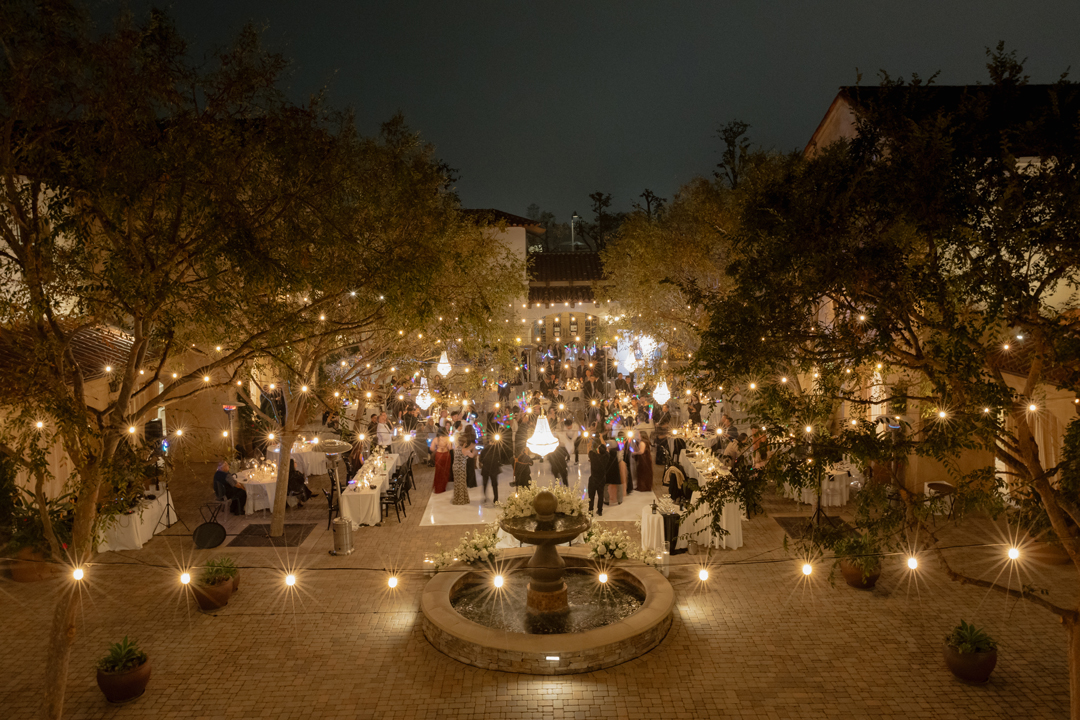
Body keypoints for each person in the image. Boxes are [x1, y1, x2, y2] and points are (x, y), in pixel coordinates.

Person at [452, 431, 475, 505]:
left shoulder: (456, 448)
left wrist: (470, 447)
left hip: (455, 468)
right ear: (465, 443)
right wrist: (474, 449)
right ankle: (461, 500)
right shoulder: (465, 450)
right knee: (462, 484)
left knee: (457, 484)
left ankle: (456, 498)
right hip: (461, 469)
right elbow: (472, 455)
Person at [479, 431, 502, 505]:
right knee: (494, 484)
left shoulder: (484, 450)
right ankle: (496, 498)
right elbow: (500, 459)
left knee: (485, 483)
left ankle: (485, 496)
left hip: (485, 468)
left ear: (489, 441)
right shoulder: (497, 450)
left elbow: (481, 460)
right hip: (494, 469)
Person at [587, 440, 609, 516]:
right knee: (600, 495)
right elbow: (607, 450)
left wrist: (589, 443)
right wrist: (601, 438)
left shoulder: (593, 456)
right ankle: (600, 511)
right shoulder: (606, 457)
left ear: (598, 450)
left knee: (591, 496)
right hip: (601, 479)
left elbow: (588, 450)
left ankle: (590, 511)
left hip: (593, 479)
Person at [431, 428, 452, 493]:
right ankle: (443, 487)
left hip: (438, 455)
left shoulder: (436, 439)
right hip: (446, 455)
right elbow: (450, 448)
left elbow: (431, 448)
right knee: (445, 471)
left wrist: (436, 449)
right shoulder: (447, 439)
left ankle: (438, 487)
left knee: (438, 471)